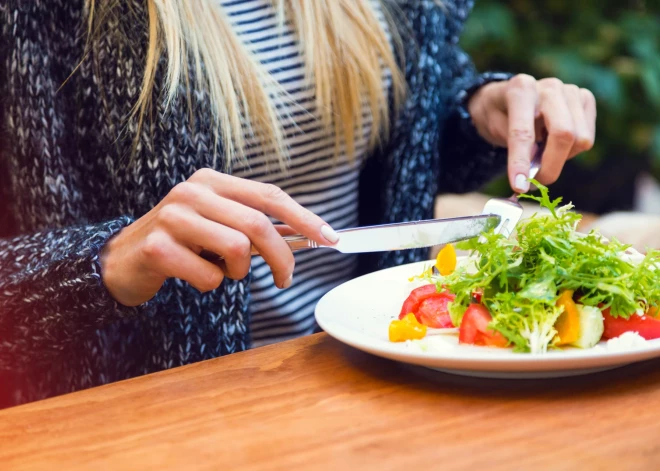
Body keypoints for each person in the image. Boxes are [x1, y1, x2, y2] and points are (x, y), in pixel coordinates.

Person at [0, 0, 596, 408]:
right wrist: (98, 266)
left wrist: (478, 111)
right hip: (160, 423)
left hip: (383, 385)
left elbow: (399, 143)